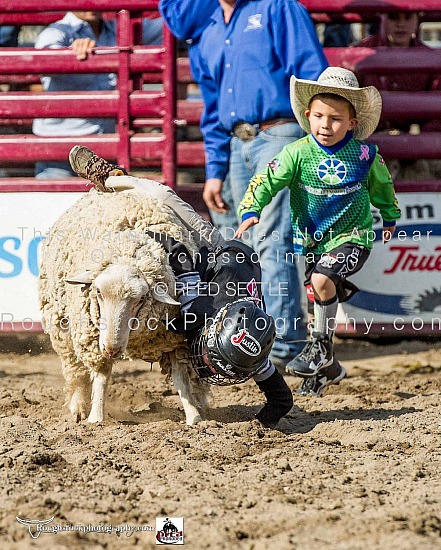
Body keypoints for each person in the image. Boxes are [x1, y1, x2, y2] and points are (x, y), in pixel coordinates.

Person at [67, 145, 294, 428]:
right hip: (216, 252)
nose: (208, 366)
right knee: (162, 196)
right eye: (212, 362)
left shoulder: (254, 352)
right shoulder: (196, 310)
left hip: (239, 282)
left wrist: (261, 422)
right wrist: (143, 242)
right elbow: (176, 248)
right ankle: (112, 176)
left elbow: (282, 399)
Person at [235, 67, 401, 395]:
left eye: (336, 119)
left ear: (352, 123)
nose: (326, 125)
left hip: (354, 236)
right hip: (313, 240)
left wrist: (390, 216)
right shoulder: (296, 154)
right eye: (320, 117)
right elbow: (267, 179)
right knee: (319, 292)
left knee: (322, 282)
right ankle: (329, 369)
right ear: (308, 115)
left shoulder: (365, 155)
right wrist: (252, 208)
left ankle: (319, 348)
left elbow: (382, 185)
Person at [192, 0, 329, 369]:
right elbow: (211, 103)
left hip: (280, 134)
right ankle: (254, 341)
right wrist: (215, 169)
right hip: (237, 143)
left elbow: (312, 75)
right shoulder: (210, 29)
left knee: (269, 242)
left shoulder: (278, 7)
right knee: (244, 247)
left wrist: (313, 146)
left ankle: (286, 347)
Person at [32, 11, 163, 179]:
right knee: (56, 199)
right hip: (61, 152)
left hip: (103, 151)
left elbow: (169, 25)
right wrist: (68, 53)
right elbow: (44, 59)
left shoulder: (119, 28)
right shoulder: (56, 32)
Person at [158, 0, 238, 237]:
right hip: (235, 128)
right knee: (244, 239)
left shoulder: (273, 10)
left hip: (261, 129)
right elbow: (182, 19)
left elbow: (182, 19)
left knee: (261, 239)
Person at [355, 11, 441, 181]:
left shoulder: (430, 59)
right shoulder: (361, 54)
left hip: (416, 142)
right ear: (383, 19)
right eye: (393, 17)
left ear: (416, 20)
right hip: (371, 139)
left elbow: (437, 115)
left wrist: (418, 140)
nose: (401, 24)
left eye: (407, 17)